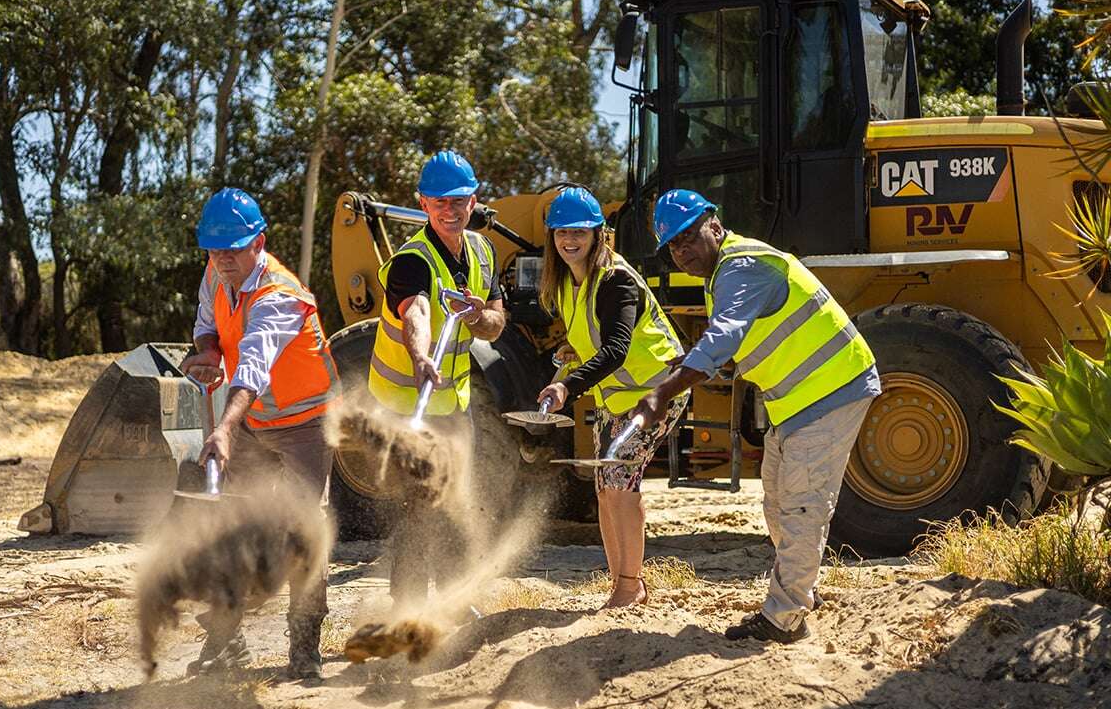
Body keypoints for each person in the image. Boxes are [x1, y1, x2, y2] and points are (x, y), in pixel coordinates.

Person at [631, 188, 881, 643]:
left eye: (689, 236)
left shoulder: (742, 266)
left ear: (715, 224)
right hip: (796, 400)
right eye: (674, 245)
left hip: (831, 388)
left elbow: (725, 336)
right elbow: (740, 341)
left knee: (802, 503)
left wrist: (662, 393)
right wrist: (695, 363)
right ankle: (804, 589)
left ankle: (784, 618)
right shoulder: (725, 274)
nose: (683, 250)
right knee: (775, 499)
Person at [179, 187, 341, 679]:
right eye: (214, 249)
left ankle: (305, 652)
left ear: (260, 242)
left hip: (306, 425)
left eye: (234, 248)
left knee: (302, 534)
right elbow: (208, 325)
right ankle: (226, 644)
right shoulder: (216, 272)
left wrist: (225, 428)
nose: (223, 259)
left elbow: (252, 366)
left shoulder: (280, 297)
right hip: (256, 420)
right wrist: (206, 352)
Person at [536, 186, 689, 610]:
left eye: (579, 232)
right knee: (605, 488)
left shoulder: (617, 280)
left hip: (658, 390)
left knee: (622, 485)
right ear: (552, 236)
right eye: (562, 232)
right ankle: (622, 583)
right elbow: (595, 339)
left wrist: (567, 386)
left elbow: (617, 348)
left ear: (598, 234)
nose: (570, 240)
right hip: (617, 397)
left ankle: (629, 585)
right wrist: (573, 351)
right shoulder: (568, 282)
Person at [367, 151, 506, 604]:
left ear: (473, 200)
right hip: (402, 406)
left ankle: (451, 604)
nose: (450, 210)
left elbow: (496, 323)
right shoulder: (413, 260)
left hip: (452, 405)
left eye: (459, 200)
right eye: (439, 201)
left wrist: (478, 315)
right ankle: (407, 610)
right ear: (423, 204)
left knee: (453, 505)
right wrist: (421, 356)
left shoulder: (483, 253)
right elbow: (418, 311)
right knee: (417, 510)